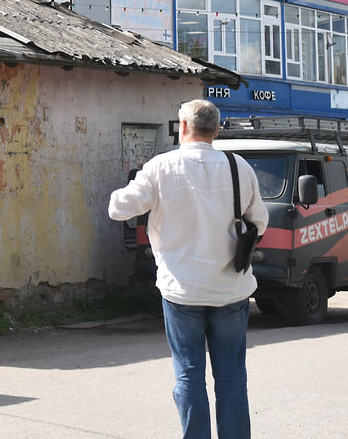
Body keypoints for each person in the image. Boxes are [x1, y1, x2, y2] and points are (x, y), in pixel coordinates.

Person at [108, 99, 268, 439]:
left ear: (182, 127)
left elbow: (119, 209)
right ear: (217, 129)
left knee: (189, 376)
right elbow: (261, 223)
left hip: (182, 291)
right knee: (232, 378)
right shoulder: (239, 166)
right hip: (230, 290)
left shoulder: (160, 167)